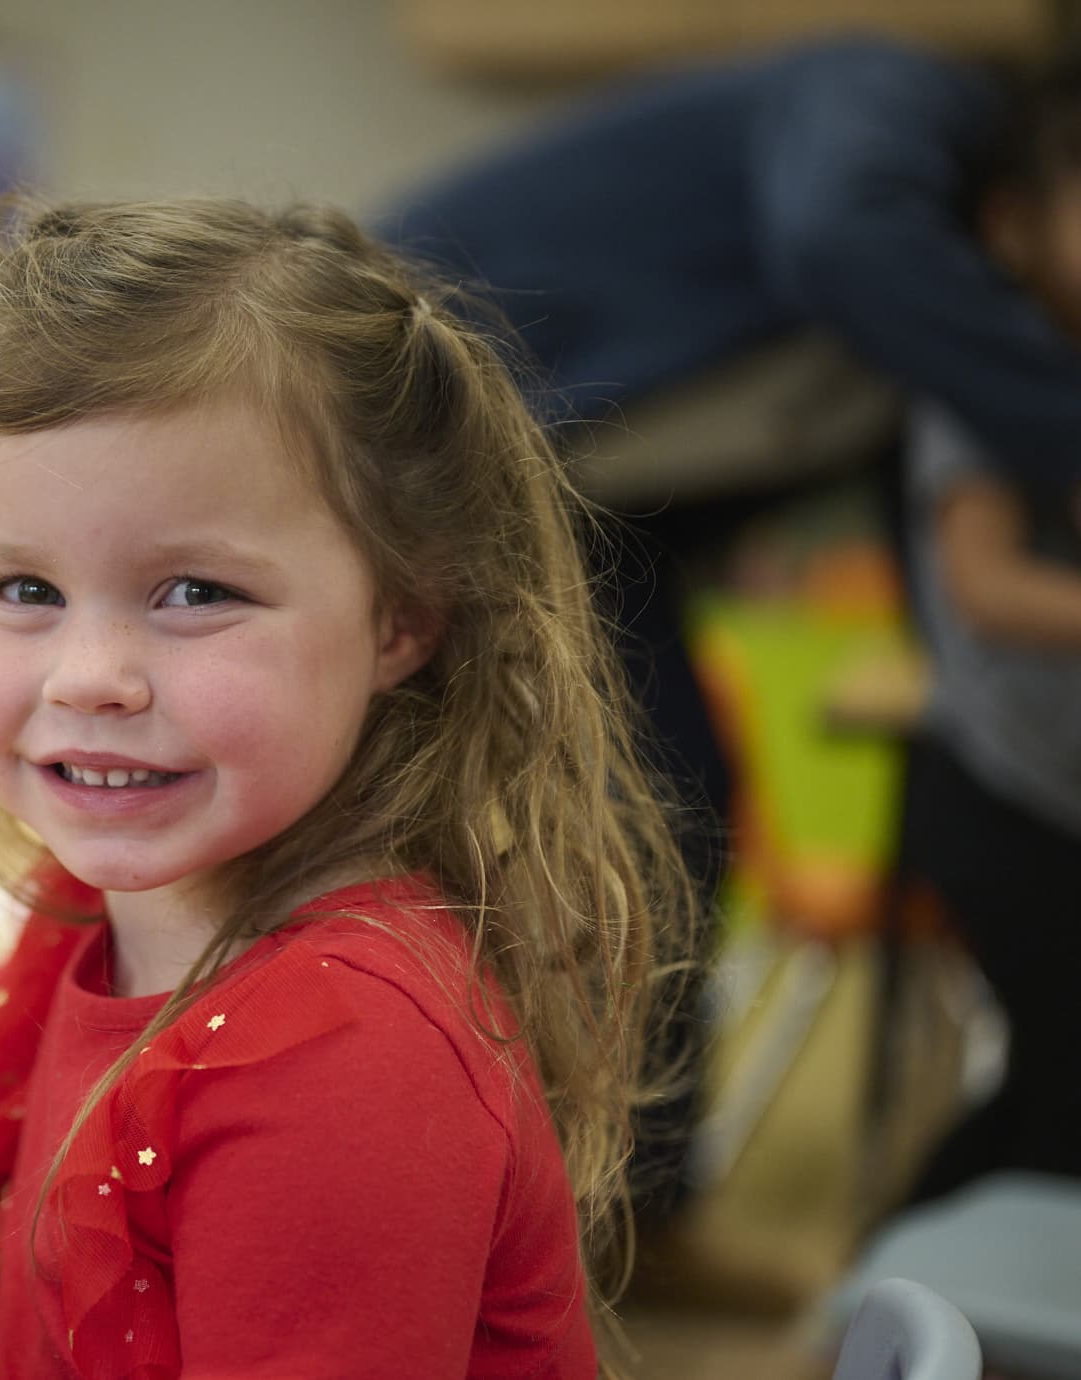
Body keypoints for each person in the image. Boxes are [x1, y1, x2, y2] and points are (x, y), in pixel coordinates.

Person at [0, 200, 693, 1380]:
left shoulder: (344, 1065)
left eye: (197, 592)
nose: (91, 677)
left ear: (401, 619)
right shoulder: (118, 893)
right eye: (24, 589)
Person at [384, 38, 1081, 1214]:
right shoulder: (897, 98)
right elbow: (838, 234)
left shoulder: (953, 336)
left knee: (672, 823)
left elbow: (941, 569)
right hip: (419, 425)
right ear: (1017, 203)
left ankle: (635, 1213)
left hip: (595, 523)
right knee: (427, 843)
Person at [895, 56, 1081, 1203]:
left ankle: (885, 1299)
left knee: (1048, 1097)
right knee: (1060, 1104)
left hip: (1057, 798)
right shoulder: (982, 367)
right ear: (1013, 227)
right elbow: (985, 583)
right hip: (1003, 801)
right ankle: (909, 1307)